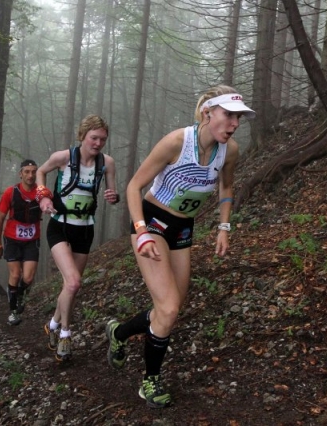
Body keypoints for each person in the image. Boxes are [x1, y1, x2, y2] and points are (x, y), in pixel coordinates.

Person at [105, 85, 255, 408]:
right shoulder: (177, 142)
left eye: (239, 118)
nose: (234, 124)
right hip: (152, 222)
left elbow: (227, 185)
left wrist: (224, 227)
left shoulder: (229, 151)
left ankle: (119, 333)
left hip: (183, 229)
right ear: (208, 113)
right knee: (169, 308)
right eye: (229, 115)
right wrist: (141, 231)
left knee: (169, 309)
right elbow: (133, 186)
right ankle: (150, 382)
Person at [36, 114, 120, 362]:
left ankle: (52, 324)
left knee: (70, 286)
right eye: (94, 138)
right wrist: (43, 197)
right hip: (60, 226)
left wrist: (113, 197)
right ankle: (65, 333)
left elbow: (113, 193)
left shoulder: (107, 163)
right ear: (82, 136)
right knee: (73, 283)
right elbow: (41, 171)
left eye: (102, 139)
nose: (98, 143)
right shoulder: (63, 157)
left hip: (84, 229)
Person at [0, 159, 42, 326]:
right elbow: (0, 218)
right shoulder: (10, 192)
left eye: (33, 172)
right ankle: (13, 311)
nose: (30, 175)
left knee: (28, 277)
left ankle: (20, 294)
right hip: (12, 239)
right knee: (15, 274)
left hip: (32, 240)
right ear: (20, 174)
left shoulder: (41, 192)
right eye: (27, 172)